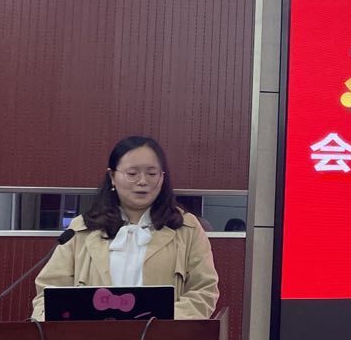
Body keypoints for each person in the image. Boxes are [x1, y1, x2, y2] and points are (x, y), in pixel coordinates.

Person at [30, 135, 219, 320]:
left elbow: (203, 291)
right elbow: (49, 291)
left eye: (152, 174)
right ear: (112, 176)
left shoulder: (186, 228)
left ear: (162, 178)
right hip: (92, 338)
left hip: (162, 337)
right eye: (132, 174)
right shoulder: (82, 229)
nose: (142, 181)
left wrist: (164, 322)